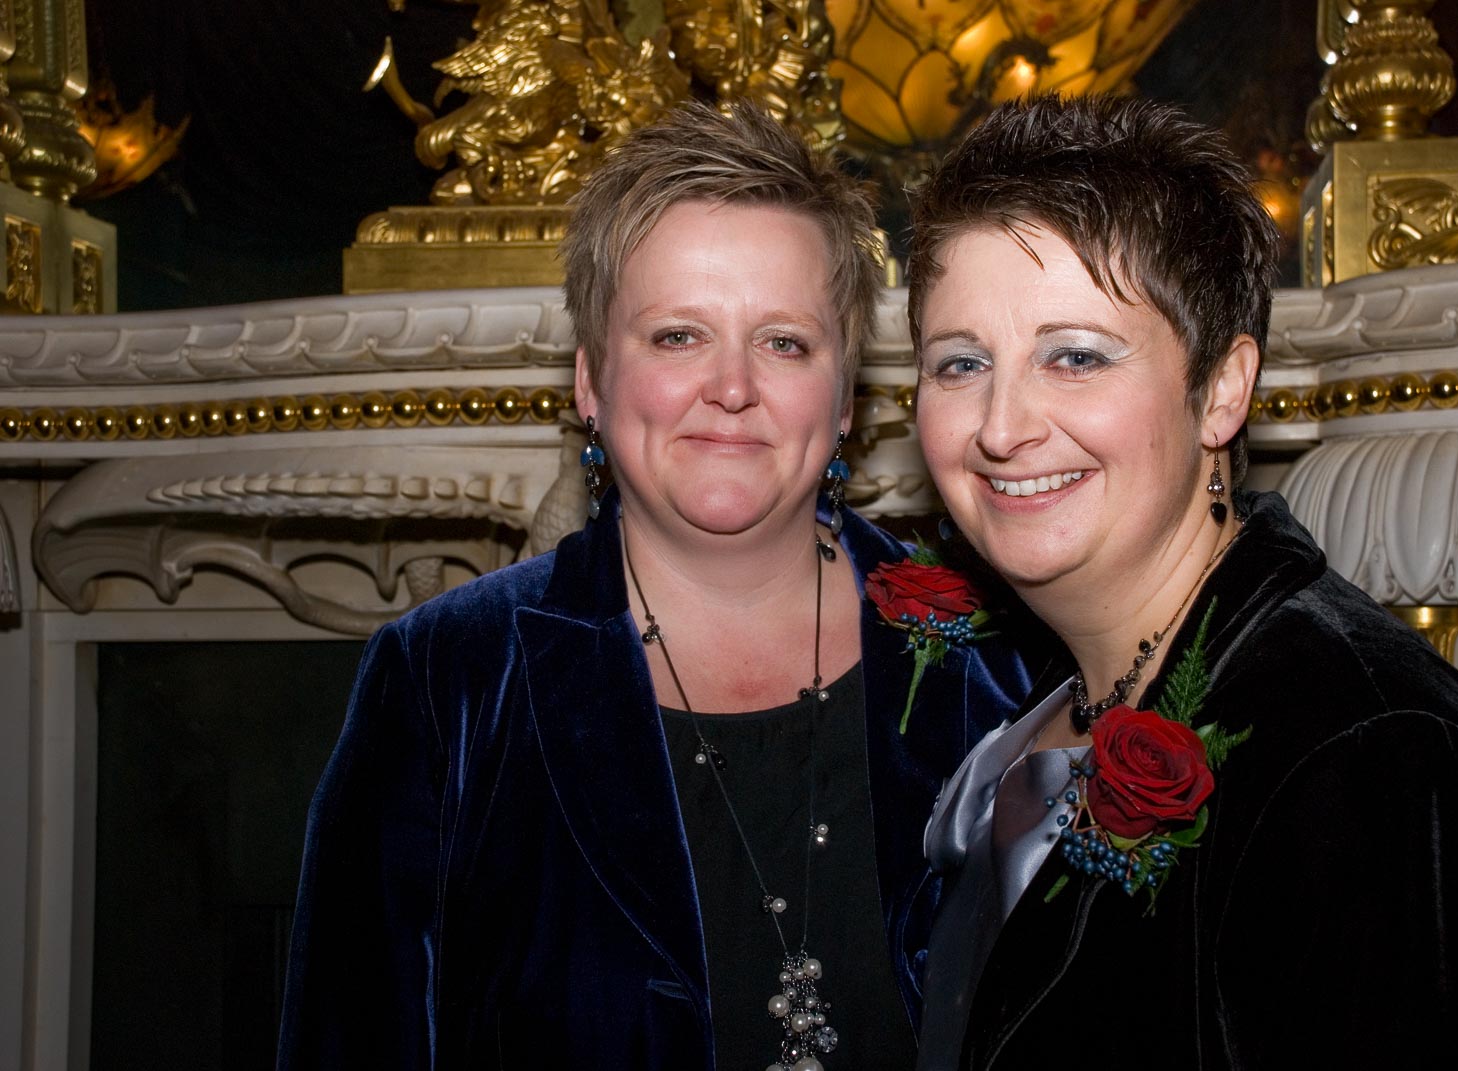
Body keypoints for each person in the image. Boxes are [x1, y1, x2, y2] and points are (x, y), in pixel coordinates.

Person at [276, 101, 1041, 1071]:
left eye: (785, 342)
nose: (731, 387)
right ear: (590, 380)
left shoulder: (997, 663)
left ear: (845, 396)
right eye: (677, 336)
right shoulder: (448, 682)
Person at [906, 94, 1458, 1069]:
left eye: (1074, 356)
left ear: (1222, 388)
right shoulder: (1044, 699)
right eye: (960, 362)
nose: (1001, 425)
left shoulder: (1375, 760)